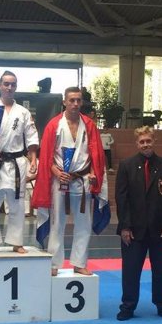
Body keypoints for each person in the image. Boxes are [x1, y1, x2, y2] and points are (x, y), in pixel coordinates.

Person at [32, 86, 107, 276]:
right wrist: (56, 172)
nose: (75, 104)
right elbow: (46, 156)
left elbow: (96, 154)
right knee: (57, 223)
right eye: (71, 100)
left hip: (82, 179)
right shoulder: (54, 125)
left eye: (78, 100)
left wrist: (93, 173)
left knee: (83, 223)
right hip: (60, 180)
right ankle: (54, 264)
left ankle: (79, 263)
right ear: (64, 102)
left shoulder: (89, 125)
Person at [115, 125, 162, 321]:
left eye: (148, 141)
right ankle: (128, 306)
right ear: (136, 143)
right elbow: (121, 198)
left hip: (160, 229)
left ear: (154, 141)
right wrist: (124, 226)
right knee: (130, 270)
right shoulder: (126, 166)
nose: (145, 145)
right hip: (134, 229)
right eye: (141, 142)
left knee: (161, 270)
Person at [0, 71, 39, 254]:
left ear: (16, 87)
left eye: (13, 84)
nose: (9, 87)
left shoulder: (23, 112)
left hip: (16, 162)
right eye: (6, 84)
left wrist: (33, 159)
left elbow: (31, 137)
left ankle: (17, 242)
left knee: (17, 203)